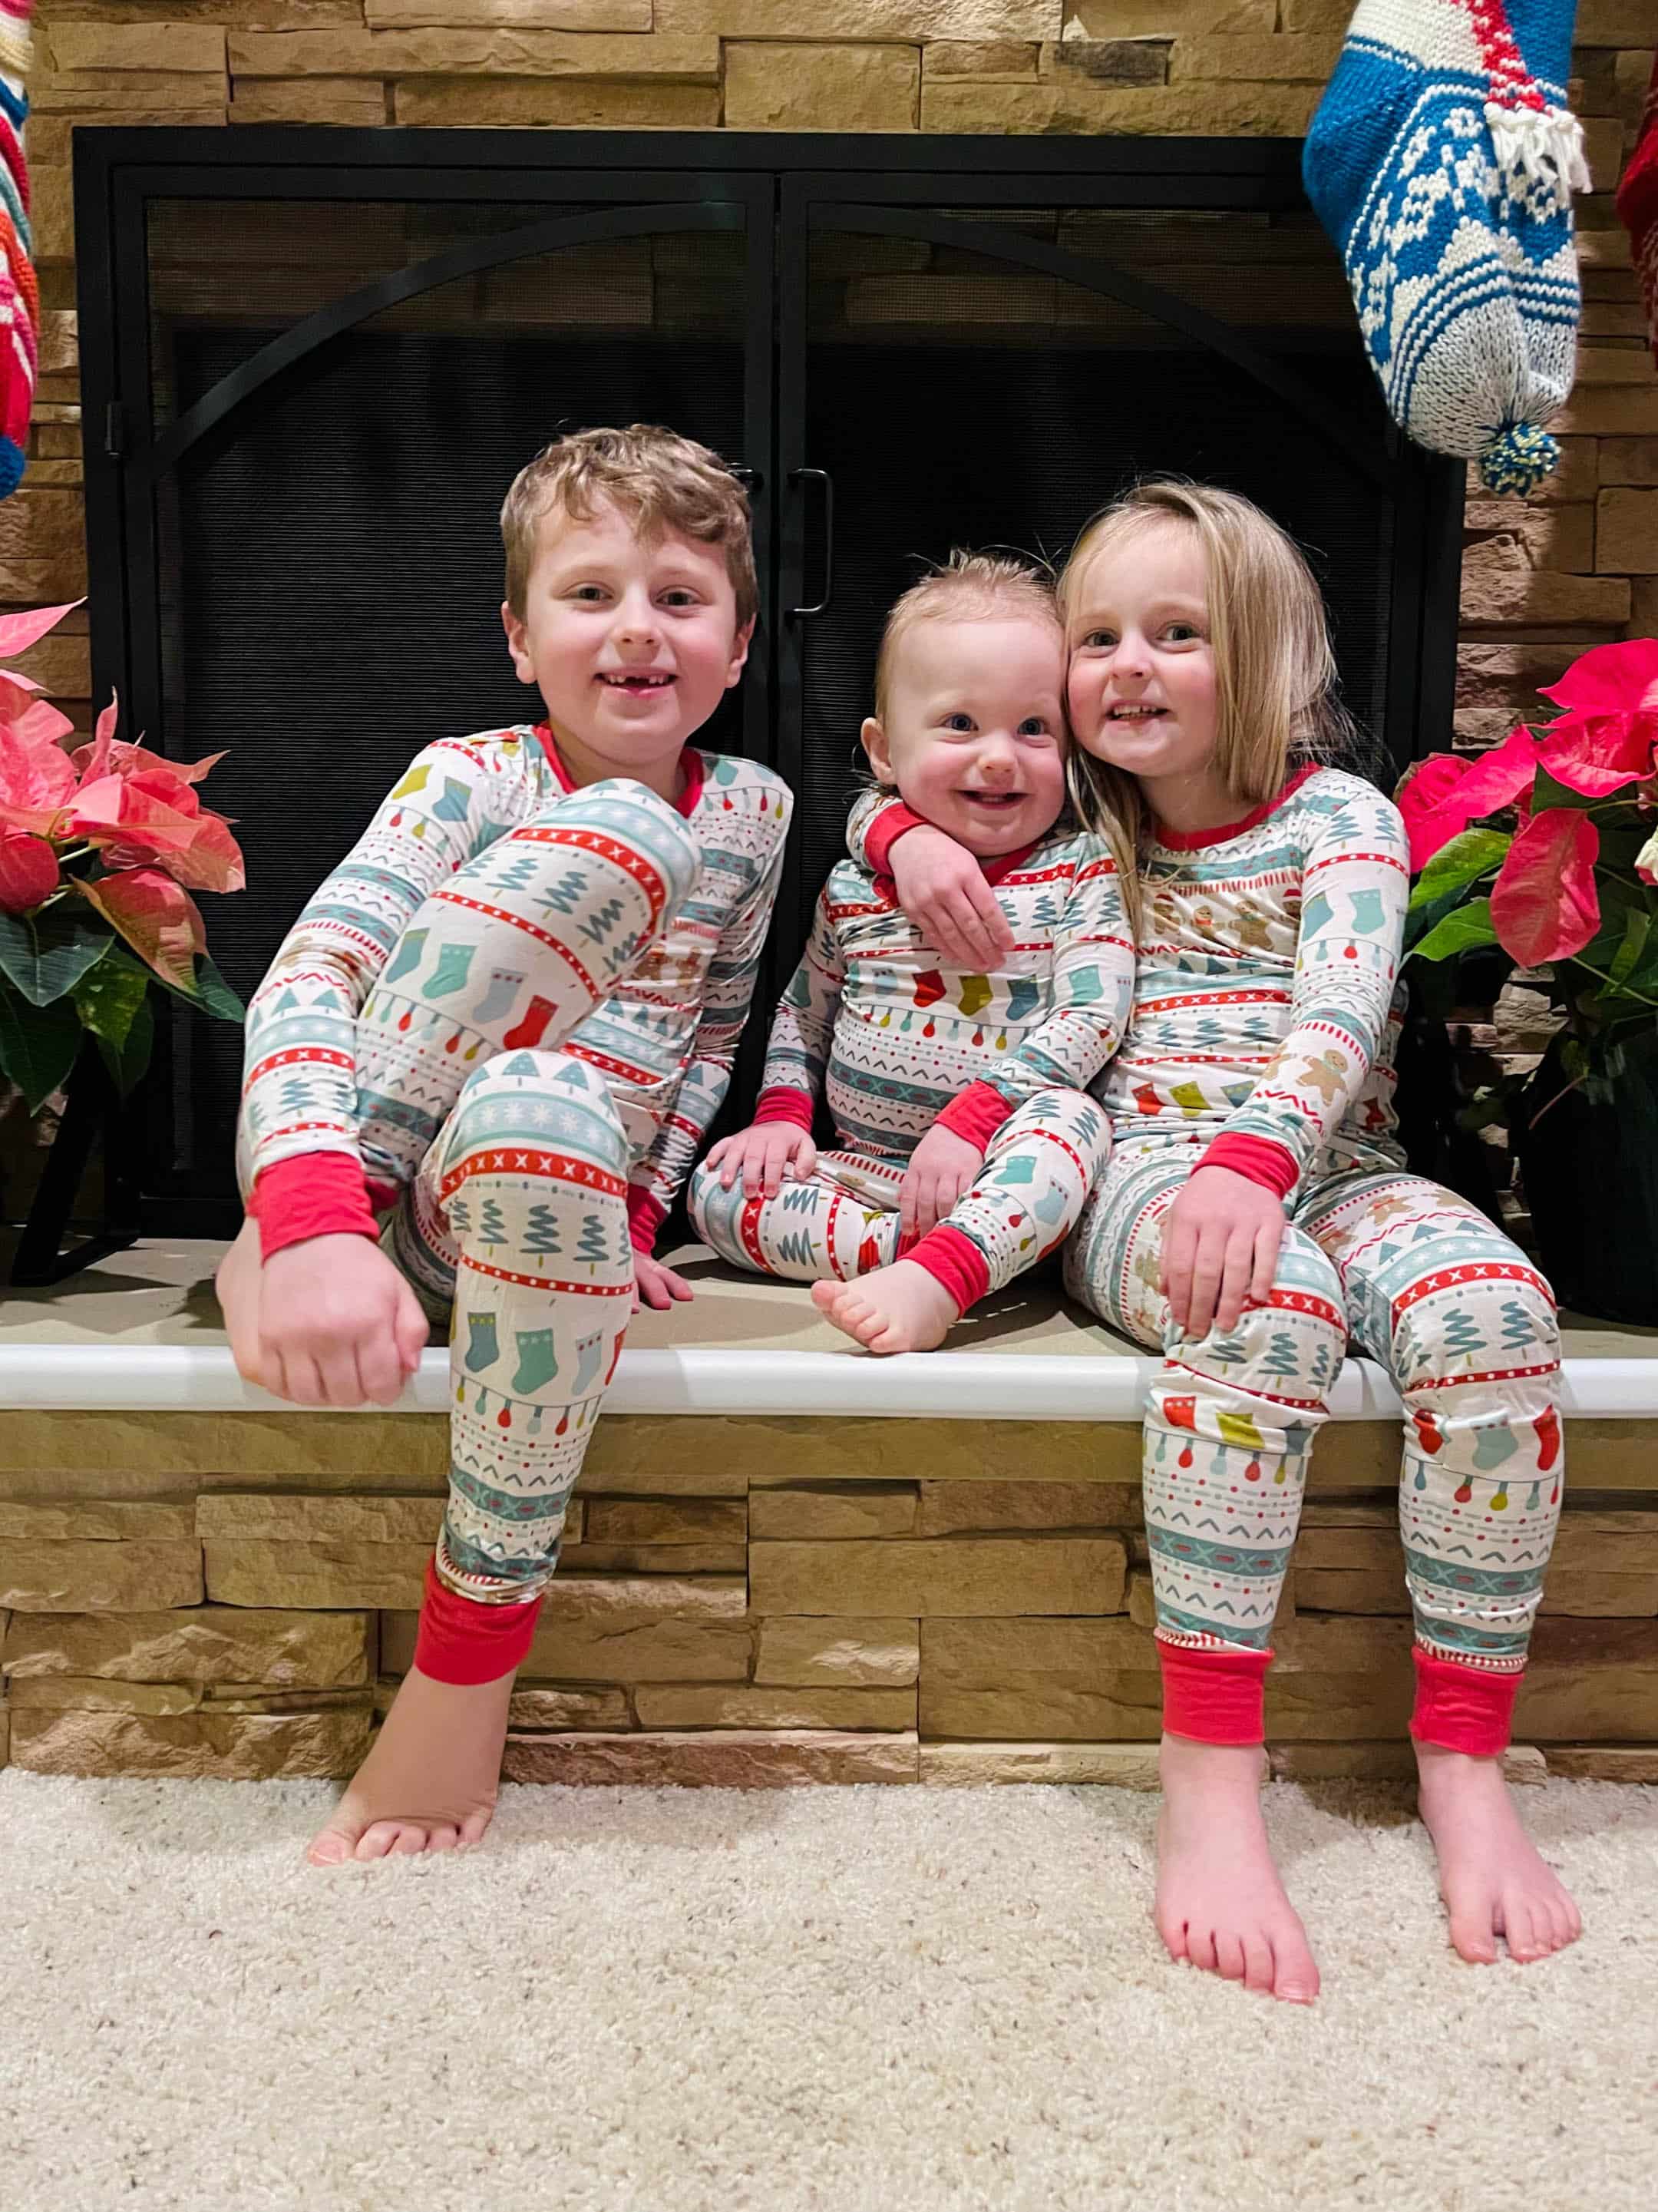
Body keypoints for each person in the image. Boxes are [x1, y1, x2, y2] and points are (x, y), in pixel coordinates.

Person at [853, 481, 1580, 1999]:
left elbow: (1340, 1008)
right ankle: (1211, 1775)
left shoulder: (1341, 818)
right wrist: (897, 832)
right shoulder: (1084, 815)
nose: (1129, 665)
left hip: (1330, 1159)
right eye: (1099, 635)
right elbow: (908, 776)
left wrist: (1263, 1155)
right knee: (1265, 1308)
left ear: (1269, 656)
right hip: (1137, 1172)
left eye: (1176, 633)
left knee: (1495, 1313)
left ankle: (1464, 1761)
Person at [215, 425, 791, 1866]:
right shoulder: (467, 774)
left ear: (739, 643)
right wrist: (316, 1208)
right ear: (522, 639)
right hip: (362, 1163)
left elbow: (714, 1037)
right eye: (590, 594)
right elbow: (312, 974)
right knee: (620, 840)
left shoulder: (759, 809)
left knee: (551, 1107)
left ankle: (464, 1666)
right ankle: (287, 1237)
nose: (637, 629)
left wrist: (635, 1220)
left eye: (679, 597)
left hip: (531, 1195)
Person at [689, 553, 1129, 1354]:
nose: (999, 756)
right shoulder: (855, 885)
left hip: (999, 1159)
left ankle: (960, 1258)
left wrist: (976, 1119)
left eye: (1034, 729)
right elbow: (802, 1016)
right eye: (960, 723)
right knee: (719, 1190)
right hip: (864, 1176)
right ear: (884, 751)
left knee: (1076, 1123)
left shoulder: (1078, 869)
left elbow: (1095, 1016)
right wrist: (779, 1118)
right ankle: (946, 1260)